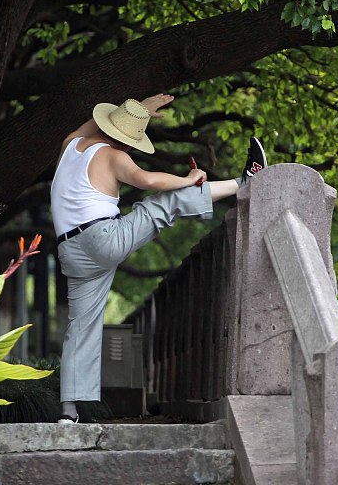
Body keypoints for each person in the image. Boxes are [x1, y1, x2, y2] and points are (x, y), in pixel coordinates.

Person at [50, 94, 267, 424]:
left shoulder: (71, 143)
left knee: (80, 327)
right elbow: (150, 181)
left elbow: (93, 123)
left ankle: (68, 413)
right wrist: (188, 180)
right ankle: (245, 182)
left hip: (70, 250)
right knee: (161, 204)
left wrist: (136, 110)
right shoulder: (113, 156)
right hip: (102, 239)